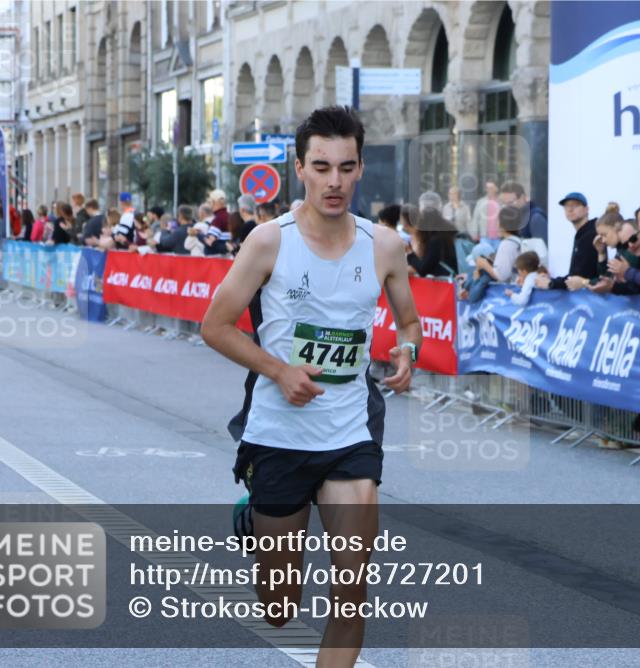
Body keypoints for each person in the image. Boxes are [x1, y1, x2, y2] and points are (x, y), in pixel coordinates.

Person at [200, 106, 421, 668]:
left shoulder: (385, 246)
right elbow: (215, 326)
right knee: (279, 607)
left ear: (360, 168)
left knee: (350, 592)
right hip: (278, 432)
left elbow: (410, 320)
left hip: (349, 430)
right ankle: (254, 517)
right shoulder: (269, 242)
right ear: (300, 167)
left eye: (346, 168)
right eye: (321, 167)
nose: (335, 181)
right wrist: (279, 371)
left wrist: (406, 348)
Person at [537, 192, 600, 291]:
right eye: (566, 206)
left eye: (575, 205)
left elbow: (578, 277)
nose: (570, 209)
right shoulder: (582, 234)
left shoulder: (590, 234)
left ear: (586, 209)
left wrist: (551, 283)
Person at [406, 208, 458, 277]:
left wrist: (410, 253)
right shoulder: (446, 236)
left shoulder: (436, 242)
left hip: (444, 282)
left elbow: (423, 268)